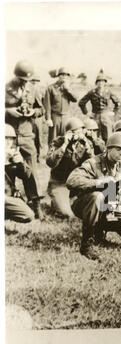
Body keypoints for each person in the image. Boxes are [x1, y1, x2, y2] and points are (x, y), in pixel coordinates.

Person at [66, 132, 121, 260]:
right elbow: (72, 181)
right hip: (84, 203)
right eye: (118, 149)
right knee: (97, 197)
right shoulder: (93, 163)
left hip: (112, 203)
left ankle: (99, 227)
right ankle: (86, 244)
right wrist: (100, 182)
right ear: (108, 149)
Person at [5, 60, 44, 220]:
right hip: (8, 136)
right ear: (16, 76)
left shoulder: (33, 89)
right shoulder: (5, 88)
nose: (25, 83)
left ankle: (36, 204)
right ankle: (11, 202)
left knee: (31, 172)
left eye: (27, 80)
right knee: (8, 168)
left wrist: (32, 113)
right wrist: (8, 112)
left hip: (27, 136)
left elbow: (41, 110)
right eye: (22, 80)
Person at [46, 117, 94, 218]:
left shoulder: (85, 143)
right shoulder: (58, 142)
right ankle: (56, 202)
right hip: (59, 182)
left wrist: (87, 145)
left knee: (84, 209)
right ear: (67, 132)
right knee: (67, 214)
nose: (77, 135)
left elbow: (92, 163)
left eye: (80, 131)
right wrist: (64, 145)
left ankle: (66, 201)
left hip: (75, 182)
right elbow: (50, 162)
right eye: (74, 132)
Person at [5, 124, 36, 223]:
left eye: (10, 139)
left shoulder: (12, 155)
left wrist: (21, 163)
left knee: (28, 215)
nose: (7, 142)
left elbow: (27, 176)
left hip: (7, 196)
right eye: (5, 138)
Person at [78, 72, 120, 142]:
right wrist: (87, 113)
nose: (100, 83)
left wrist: (113, 112)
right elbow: (81, 103)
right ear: (96, 83)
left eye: (102, 81)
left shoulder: (108, 92)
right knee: (94, 137)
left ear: (105, 83)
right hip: (95, 117)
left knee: (108, 137)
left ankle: (107, 152)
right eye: (99, 81)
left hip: (106, 117)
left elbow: (118, 103)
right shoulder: (92, 92)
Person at [44, 67, 77, 144]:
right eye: (62, 75)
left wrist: (68, 90)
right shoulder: (51, 88)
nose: (64, 77)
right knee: (53, 139)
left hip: (66, 116)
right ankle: (51, 155)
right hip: (55, 117)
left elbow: (75, 99)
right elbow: (47, 104)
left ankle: (64, 156)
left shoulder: (69, 88)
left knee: (66, 139)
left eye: (66, 75)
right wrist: (48, 118)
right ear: (58, 76)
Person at [30, 72, 45, 163]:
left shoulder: (41, 91)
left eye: (36, 81)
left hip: (37, 117)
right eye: (32, 81)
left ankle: (38, 156)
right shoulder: (26, 91)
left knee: (38, 138)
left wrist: (37, 112)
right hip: (27, 119)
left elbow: (43, 107)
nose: (34, 83)